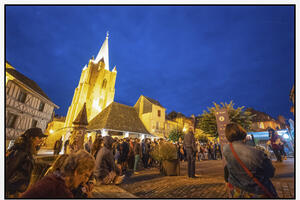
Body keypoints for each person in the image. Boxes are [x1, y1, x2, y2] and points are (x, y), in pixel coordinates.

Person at [223, 123, 278, 198]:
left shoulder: (226, 149)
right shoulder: (257, 153)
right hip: (256, 191)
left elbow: (228, 166)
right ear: (242, 133)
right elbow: (271, 172)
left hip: (237, 190)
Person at [21, 150, 95, 198]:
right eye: (85, 176)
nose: (85, 181)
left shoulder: (53, 179)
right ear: (77, 171)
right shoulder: (61, 191)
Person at [6, 128, 47, 198]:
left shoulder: (28, 150)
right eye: (39, 137)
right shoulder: (21, 151)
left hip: (16, 189)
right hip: (11, 190)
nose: (41, 140)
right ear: (31, 138)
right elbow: (9, 169)